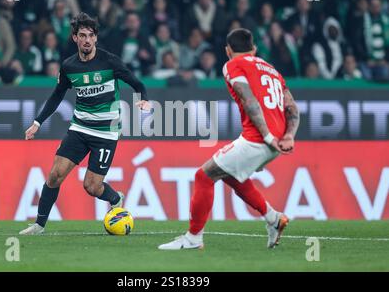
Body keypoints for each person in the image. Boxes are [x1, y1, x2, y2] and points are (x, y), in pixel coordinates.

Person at [159, 28, 300, 250]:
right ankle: (274, 219)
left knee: (204, 176)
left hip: (260, 139)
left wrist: (267, 136)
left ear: (227, 50)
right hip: (277, 140)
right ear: (254, 49)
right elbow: (292, 108)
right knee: (230, 176)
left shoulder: (233, 65)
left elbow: (249, 100)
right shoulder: (272, 70)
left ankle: (193, 238)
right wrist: (288, 136)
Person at [19, 13, 151, 235]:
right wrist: (37, 122)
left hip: (106, 133)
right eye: (82, 35)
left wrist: (143, 99)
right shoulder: (69, 66)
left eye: (91, 35)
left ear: (96, 38)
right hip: (79, 128)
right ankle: (39, 225)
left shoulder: (110, 62)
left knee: (91, 186)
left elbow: (137, 84)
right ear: (75, 38)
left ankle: (115, 197)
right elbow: (56, 96)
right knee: (55, 175)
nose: (87, 40)